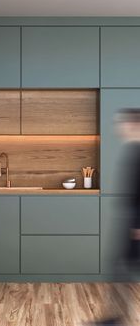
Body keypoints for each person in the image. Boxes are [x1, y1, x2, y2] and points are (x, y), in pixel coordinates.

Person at [86, 108, 140, 326]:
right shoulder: (132, 148)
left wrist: (137, 225)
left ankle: (115, 320)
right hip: (130, 221)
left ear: (135, 124)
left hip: (135, 224)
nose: (120, 127)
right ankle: (115, 319)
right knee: (120, 272)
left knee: (121, 271)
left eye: (123, 123)